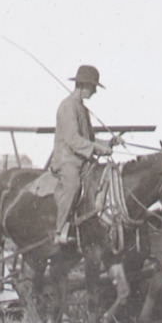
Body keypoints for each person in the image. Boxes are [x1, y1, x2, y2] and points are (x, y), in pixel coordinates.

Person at [49, 64, 110, 245]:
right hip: (67, 161)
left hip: (82, 161)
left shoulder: (82, 108)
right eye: (93, 88)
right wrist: (98, 149)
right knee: (73, 185)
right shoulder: (67, 107)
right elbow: (73, 140)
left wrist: (109, 143)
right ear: (84, 86)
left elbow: (90, 138)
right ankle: (59, 231)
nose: (94, 93)